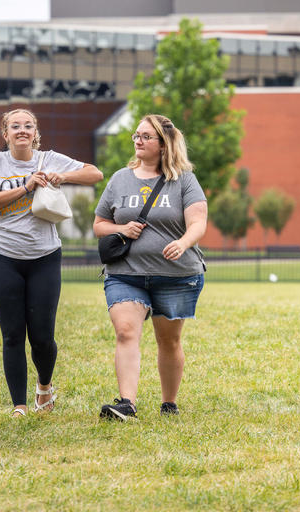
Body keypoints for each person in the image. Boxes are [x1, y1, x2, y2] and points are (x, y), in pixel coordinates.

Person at [0, 109, 104, 418]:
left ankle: (44, 386)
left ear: (34, 131)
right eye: (15, 126)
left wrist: (61, 176)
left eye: (28, 126)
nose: (22, 130)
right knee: (12, 334)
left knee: (41, 336)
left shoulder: (49, 158)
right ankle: (19, 406)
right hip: (2, 255)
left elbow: (95, 173)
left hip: (44, 257)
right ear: (6, 134)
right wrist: (26, 186)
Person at [93, 114, 207, 420]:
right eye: (137, 135)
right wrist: (121, 229)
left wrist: (183, 243)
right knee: (126, 331)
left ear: (163, 143)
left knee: (168, 340)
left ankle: (169, 402)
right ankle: (127, 404)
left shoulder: (183, 179)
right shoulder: (120, 179)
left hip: (176, 275)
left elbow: (198, 223)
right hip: (125, 273)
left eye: (146, 136)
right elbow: (99, 224)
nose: (138, 141)